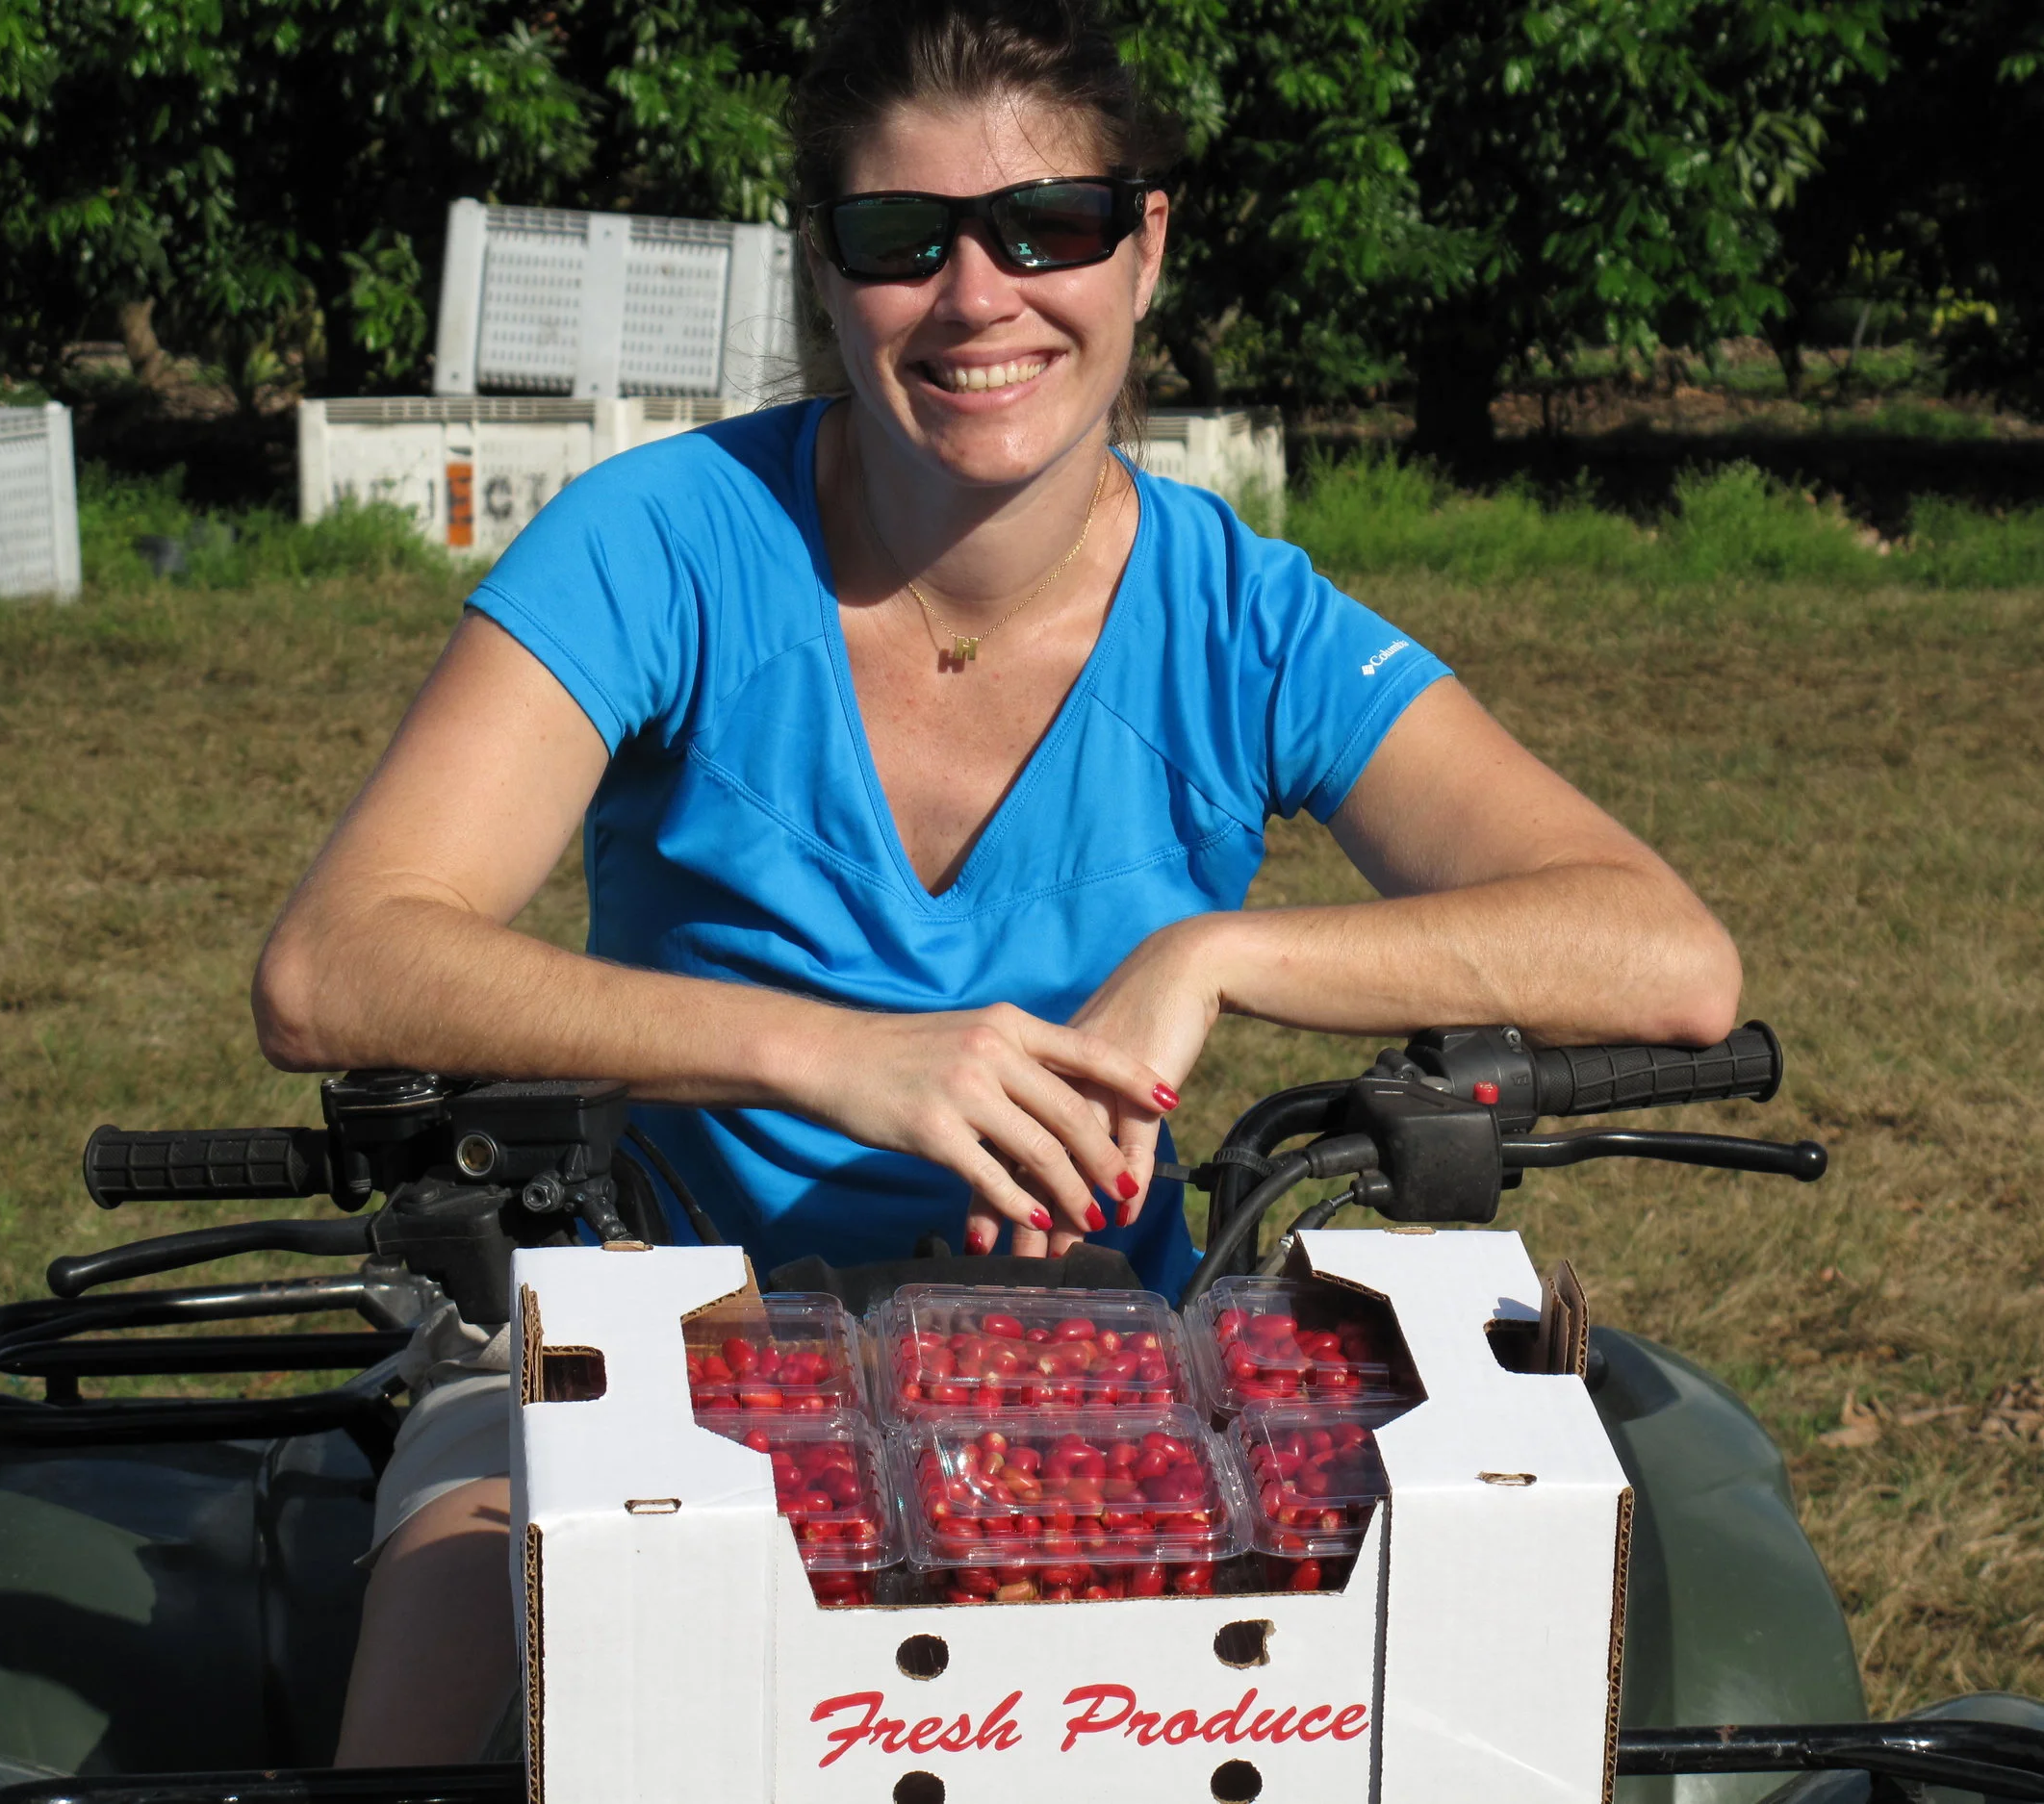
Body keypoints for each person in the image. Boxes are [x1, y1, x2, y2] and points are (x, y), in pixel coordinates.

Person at [254, 0, 1742, 1766]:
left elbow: (1661, 951)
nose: (981, 298)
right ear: (826, 271)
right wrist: (835, 1054)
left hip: (1102, 1368)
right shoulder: (660, 546)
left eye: (1052, 227)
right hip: (632, 1356)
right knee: (457, 1689)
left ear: (1146, 246)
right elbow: (339, 959)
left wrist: (1217, 950)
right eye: (905, 241)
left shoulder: (1242, 620)